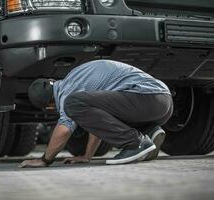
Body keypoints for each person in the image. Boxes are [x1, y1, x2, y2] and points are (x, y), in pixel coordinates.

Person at [19, 59, 173, 168]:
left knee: (73, 104)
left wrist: (45, 160)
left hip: (146, 99)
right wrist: (87, 156)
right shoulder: (74, 77)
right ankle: (149, 132)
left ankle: (136, 143)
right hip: (163, 102)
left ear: (49, 107)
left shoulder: (67, 94)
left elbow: (64, 129)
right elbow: (98, 121)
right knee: (84, 104)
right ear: (52, 81)